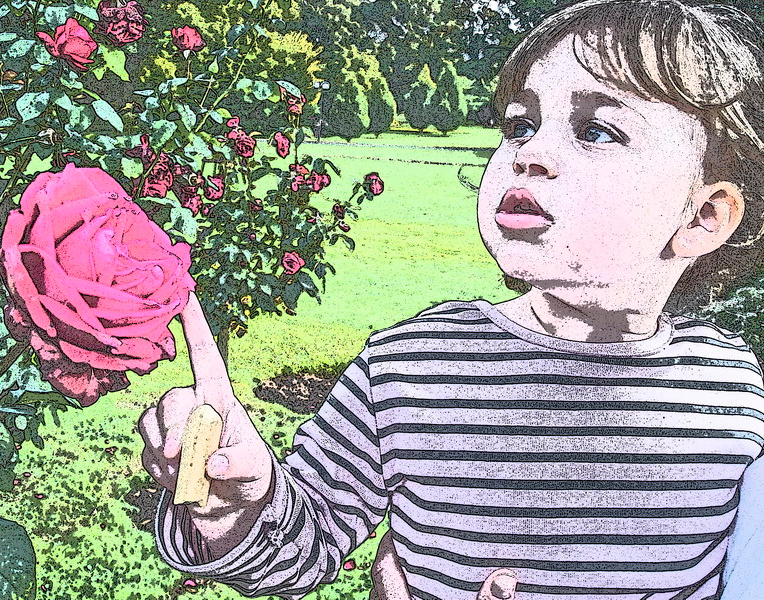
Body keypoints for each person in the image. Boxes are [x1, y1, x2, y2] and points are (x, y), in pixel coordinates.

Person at [138, 0, 764, 598]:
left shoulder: (733, 390)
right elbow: (309, 540)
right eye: (520, 126)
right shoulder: (412, 364)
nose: (531, 155)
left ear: (704, 217)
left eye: (596, 130)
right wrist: (234, 506)